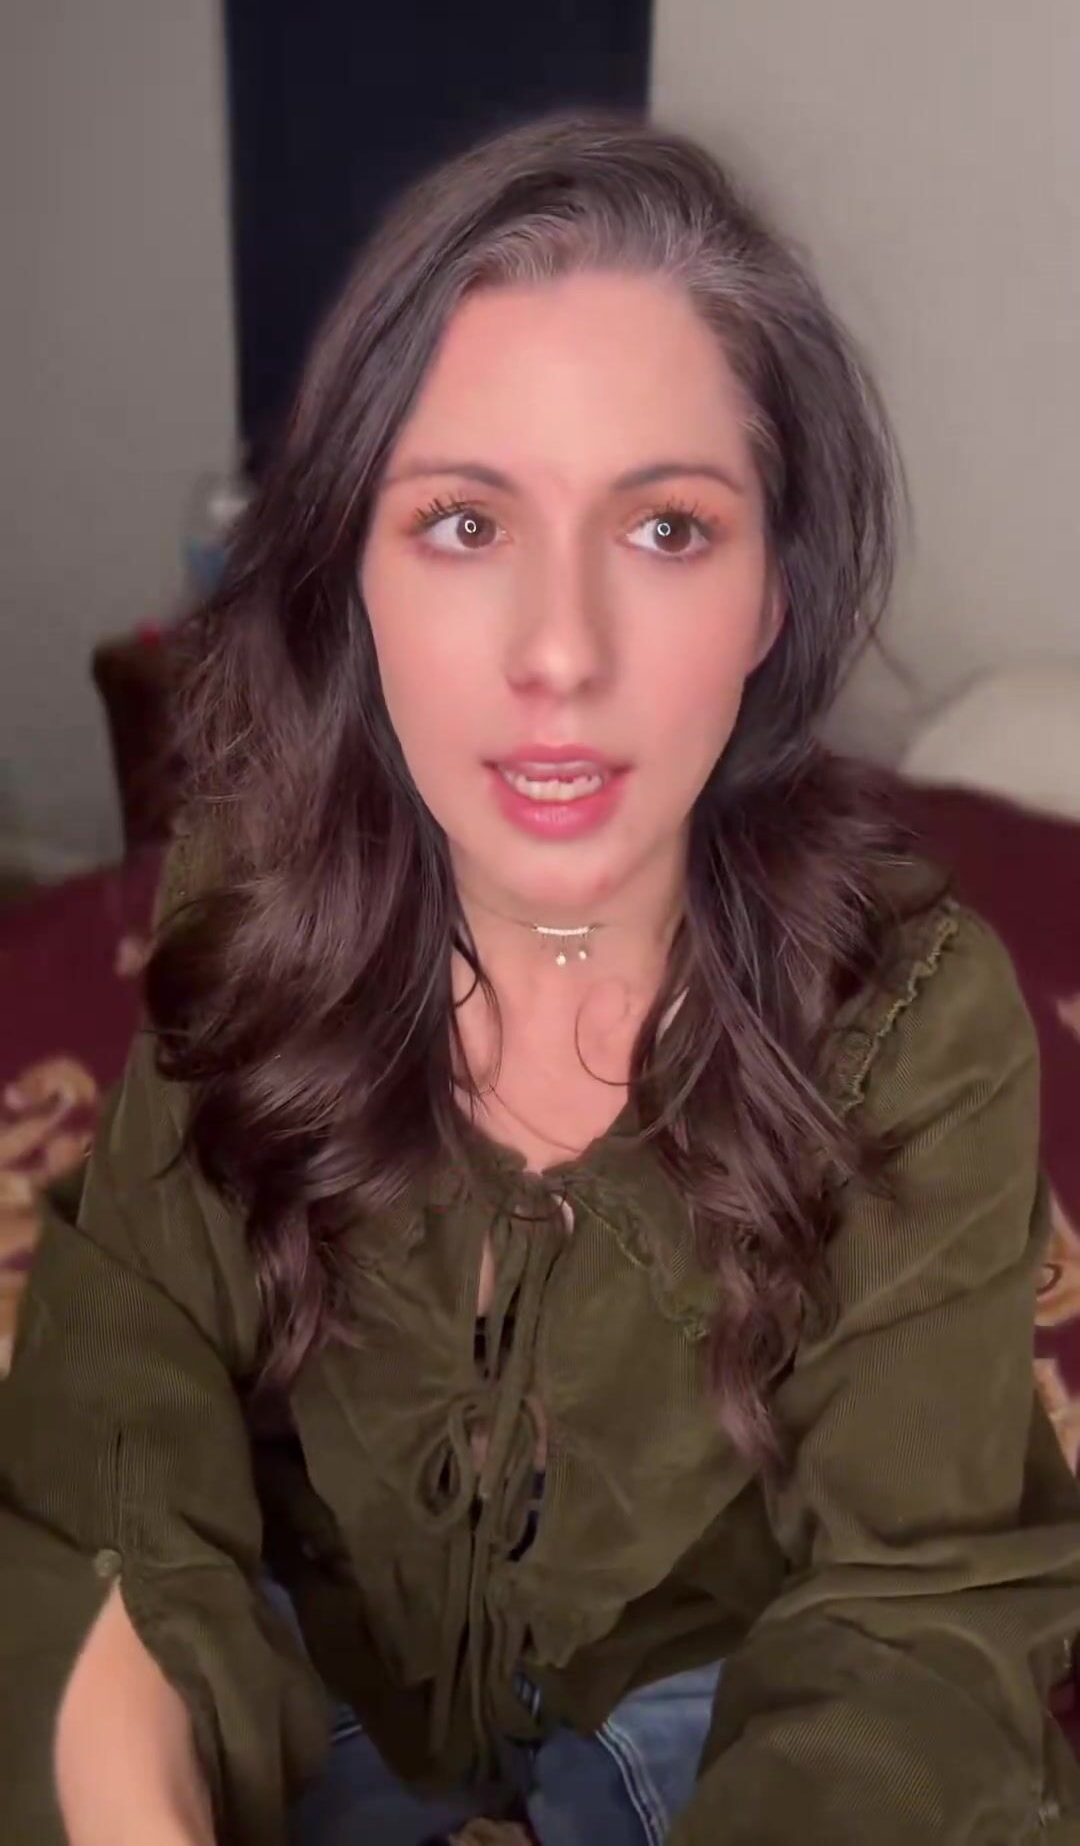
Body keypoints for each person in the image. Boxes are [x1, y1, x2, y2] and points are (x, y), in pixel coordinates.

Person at [2, 113, 1079, 1846]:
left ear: (773, 595)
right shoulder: (247, 909)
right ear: (353, 577)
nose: (561, 653)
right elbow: (118, 1412)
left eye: (667, 530)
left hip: (717, 1706)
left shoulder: (912, 1024)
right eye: (461, 522)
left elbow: (912, 1627)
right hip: (303, 1682)